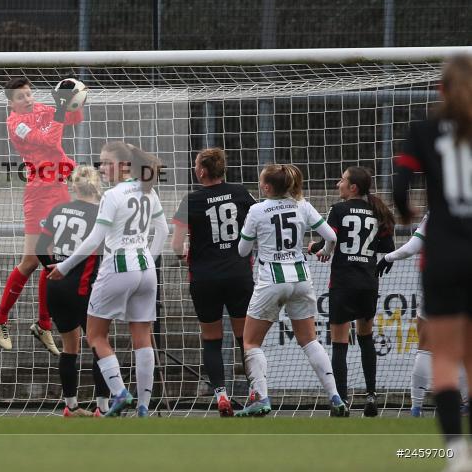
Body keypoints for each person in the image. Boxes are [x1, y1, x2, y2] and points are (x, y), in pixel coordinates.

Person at [48, 142, 169, 418]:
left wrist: (65, 266)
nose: (102, 168)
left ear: (124, 165)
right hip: (146, 269)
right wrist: (149, 257)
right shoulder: (148, 190)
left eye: (106, 163)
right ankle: (143, 408)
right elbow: (163, 230)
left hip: (118, 267)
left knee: (95, 335)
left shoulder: (113, 196)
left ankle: (120, 393)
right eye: (100, 162)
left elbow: (95, 239)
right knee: (142, 337)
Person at [393, 55, 472, 462]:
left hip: (442, 251)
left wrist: (406, 212)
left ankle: (457, 454)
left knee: (442, 355)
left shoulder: (423, 130)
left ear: (440, 89)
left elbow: (399, 186)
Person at [234, 164, 347, 417]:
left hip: (272, 280)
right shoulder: (302, 205)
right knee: (310, 340)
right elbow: (331, 237)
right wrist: (325, 252)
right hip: (301, 278)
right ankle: (335, 396)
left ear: (266, 187)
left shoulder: (257, 210)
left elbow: (242, 251)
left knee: (250, 341)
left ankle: (261, 398)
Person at [0, 77, 85, 355]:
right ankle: (0, 319)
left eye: (29, 94)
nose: (28, 99)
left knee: (53, 261)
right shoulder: (15, 124)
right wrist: (60, 110)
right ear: (11, 103)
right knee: (31, 260)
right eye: (21, 97)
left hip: (60, 188)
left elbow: (74, 118)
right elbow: (48, 140)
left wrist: (74, 99)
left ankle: (43, 324)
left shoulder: (43, 109)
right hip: (39, 192)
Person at [171, 148, 256, 417]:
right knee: (246, 338)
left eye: (196, 164)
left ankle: (221, 395)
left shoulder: (191, 200)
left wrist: (183, 254)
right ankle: (255, 392)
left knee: (211, 339)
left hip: (205, 277)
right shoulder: (241, 193)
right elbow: (258, 223)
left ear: (202, 171)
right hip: (238, 274)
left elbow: (176, 244)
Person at [309, 166, 395, 417]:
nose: (338, 184)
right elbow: (388, 247)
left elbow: (329, 241)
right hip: (368, 282)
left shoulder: (338, 210)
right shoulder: (377, 211)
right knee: (366, 338)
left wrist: (314, 248)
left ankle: (342, 401)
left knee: (339, 343)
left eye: (342, 180)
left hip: (343, 282)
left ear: (353, 187)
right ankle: (371, 395)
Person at [35, 165, 111, 417]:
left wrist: (53, 268)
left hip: (56, 287)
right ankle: (102, 407)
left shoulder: (58, 210)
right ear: (96, 186)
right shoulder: (99, 214)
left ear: (75, 186)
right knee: (99, 344)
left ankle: (71, 405)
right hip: (83, 288)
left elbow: (40, 247)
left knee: (70, 347)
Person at [377, 212, 469, 417]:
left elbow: (412, 247)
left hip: (438, 283)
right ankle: (466, 404)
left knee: (425, 346)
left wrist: (388, 257)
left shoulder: (435, 214)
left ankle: (416, 408)